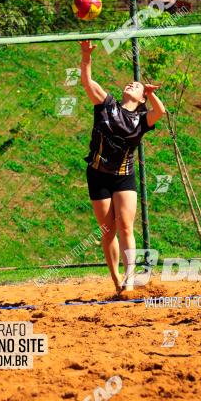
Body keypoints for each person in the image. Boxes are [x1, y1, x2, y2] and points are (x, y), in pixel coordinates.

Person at [80, 40, 165, 295]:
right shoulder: (108, 105)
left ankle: (129, 279)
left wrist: (150, 92)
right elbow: (87, 82)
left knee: (126, 226)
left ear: (141, 99)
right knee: (108, 231)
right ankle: (117, 279)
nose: (132, 84)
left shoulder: (141, 119)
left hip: (123, 177)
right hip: (97, 175)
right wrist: (86, 55)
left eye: (137, 86)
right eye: (130, 83)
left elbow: (161, 111)